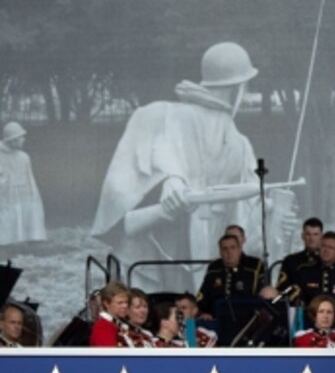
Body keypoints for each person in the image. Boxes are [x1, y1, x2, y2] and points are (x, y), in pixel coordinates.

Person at [91, 42, 294, 293]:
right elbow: (152, 157)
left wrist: (275, 217)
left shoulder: (237, 142)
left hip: (211, 245)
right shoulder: (165, 115)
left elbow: (249, 201)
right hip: (166, 243)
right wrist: (171, 181)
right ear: (236, 88)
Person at [195, 233, 273, 317]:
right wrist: (202, 313)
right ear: (220, 252)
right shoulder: (214, 269)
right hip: (216, 318)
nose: (229, 252)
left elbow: (264, 296)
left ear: (240, 249)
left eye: (233, 248)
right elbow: (202, 298)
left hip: (248, 318)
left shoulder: (253, 267)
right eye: (225, 249)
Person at [289, 231, 335, 314]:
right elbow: (294, 299)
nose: (326, 250)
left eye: (331, 247)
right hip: (310, 321)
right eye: (323, 246)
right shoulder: (304, 271)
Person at [0, 121, 46, 245]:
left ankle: (23, 238)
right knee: (6, 215)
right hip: (5, 193)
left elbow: (29, 178)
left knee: (22, 214)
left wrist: (33, 194)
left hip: (23, 191)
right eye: (20, 137)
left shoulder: (24, 157)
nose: (23, 140)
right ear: (12, 139)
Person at [278, 217, 323, 291]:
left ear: (321, 236)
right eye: (308, 234)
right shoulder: (290, 261)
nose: (312, 238)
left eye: (315, 234)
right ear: (302, 236)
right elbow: (282, 290)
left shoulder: (329, 261)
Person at [89, 282, 137, 348]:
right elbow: (110, 355)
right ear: (107, 303)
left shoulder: (124, 326)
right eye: (120, 303)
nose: (125, 306)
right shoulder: (102, 327)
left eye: (126, 302)